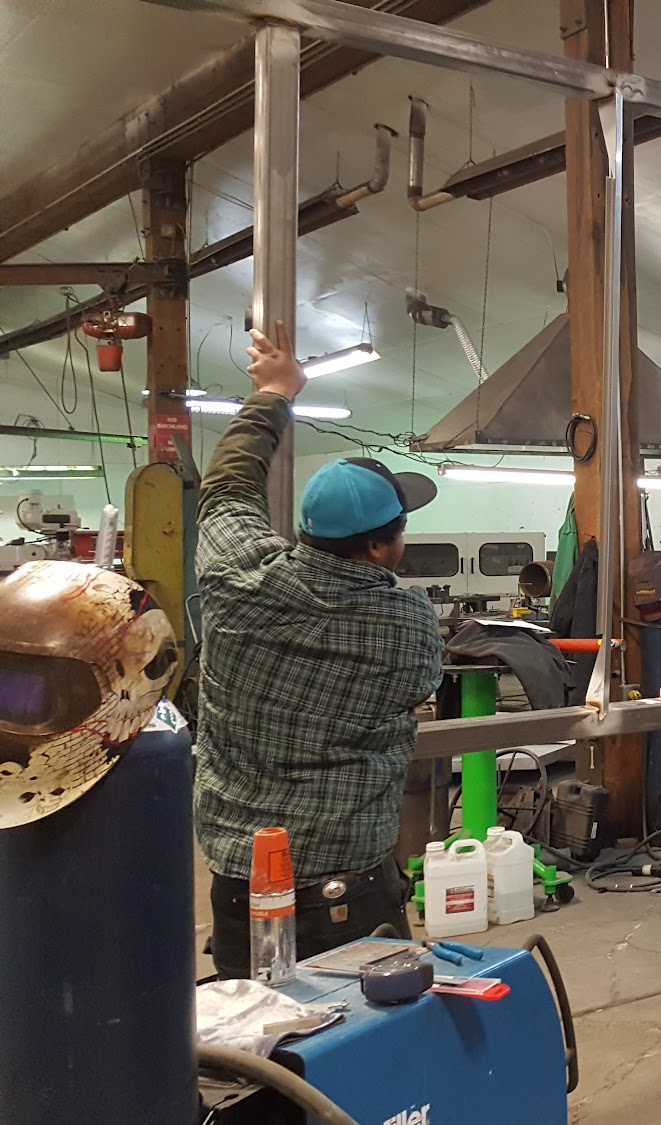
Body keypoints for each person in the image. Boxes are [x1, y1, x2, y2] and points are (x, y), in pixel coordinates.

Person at [196, 324, 444, 977]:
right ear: (381, 545)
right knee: (365, 1035)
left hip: (241, 887)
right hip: (350, 893)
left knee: (255, 1034)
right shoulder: (407, 623)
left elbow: (227, 488)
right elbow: (420, 685)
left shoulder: (235, 578)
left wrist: (274, 394)